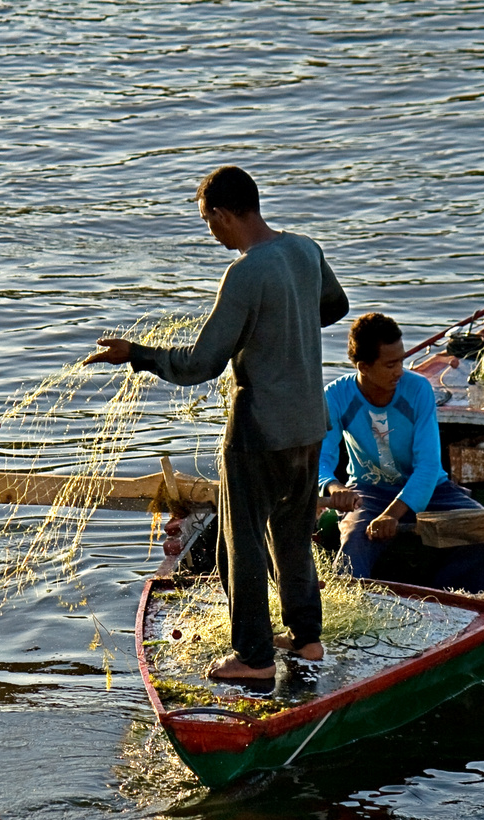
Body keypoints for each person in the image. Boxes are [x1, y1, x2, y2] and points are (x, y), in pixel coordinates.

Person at [87, 166, 349, 683]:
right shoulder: (304, 249)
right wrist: (286, 325)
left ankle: (252, 657)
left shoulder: (245, 273)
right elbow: (335, 305)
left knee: (242, 541)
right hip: (308, 424)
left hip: (259, 432)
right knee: (293, 536)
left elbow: (201, 364)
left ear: (224, 214)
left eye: (209, 222)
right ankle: (306, 638)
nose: (212, 233)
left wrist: (134, 354)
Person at [319, 312, 484, 591]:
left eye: (402, 361)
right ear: (364, 367)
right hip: (368, 491)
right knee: (352, 545)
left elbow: (429, 467)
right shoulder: (335, 396)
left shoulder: (418, 388)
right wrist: (334, 488)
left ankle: (445, 601)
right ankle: (350, 611)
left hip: (433, 489)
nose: (400, 371)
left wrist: (392, 515)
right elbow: (319, 460)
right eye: (391, 364)